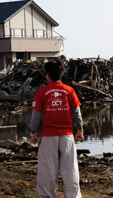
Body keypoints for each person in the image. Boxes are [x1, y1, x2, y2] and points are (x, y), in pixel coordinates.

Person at [30, 59, 84, 198]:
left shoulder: (42, 92)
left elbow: (36, 116)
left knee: (47, 172)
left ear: (48, 75)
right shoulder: (69, 90)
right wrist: (80, 130)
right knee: (70, 170)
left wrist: (33, 133)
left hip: (48, 137)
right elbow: (76, 112)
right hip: (67, 136)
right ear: (62, 74)